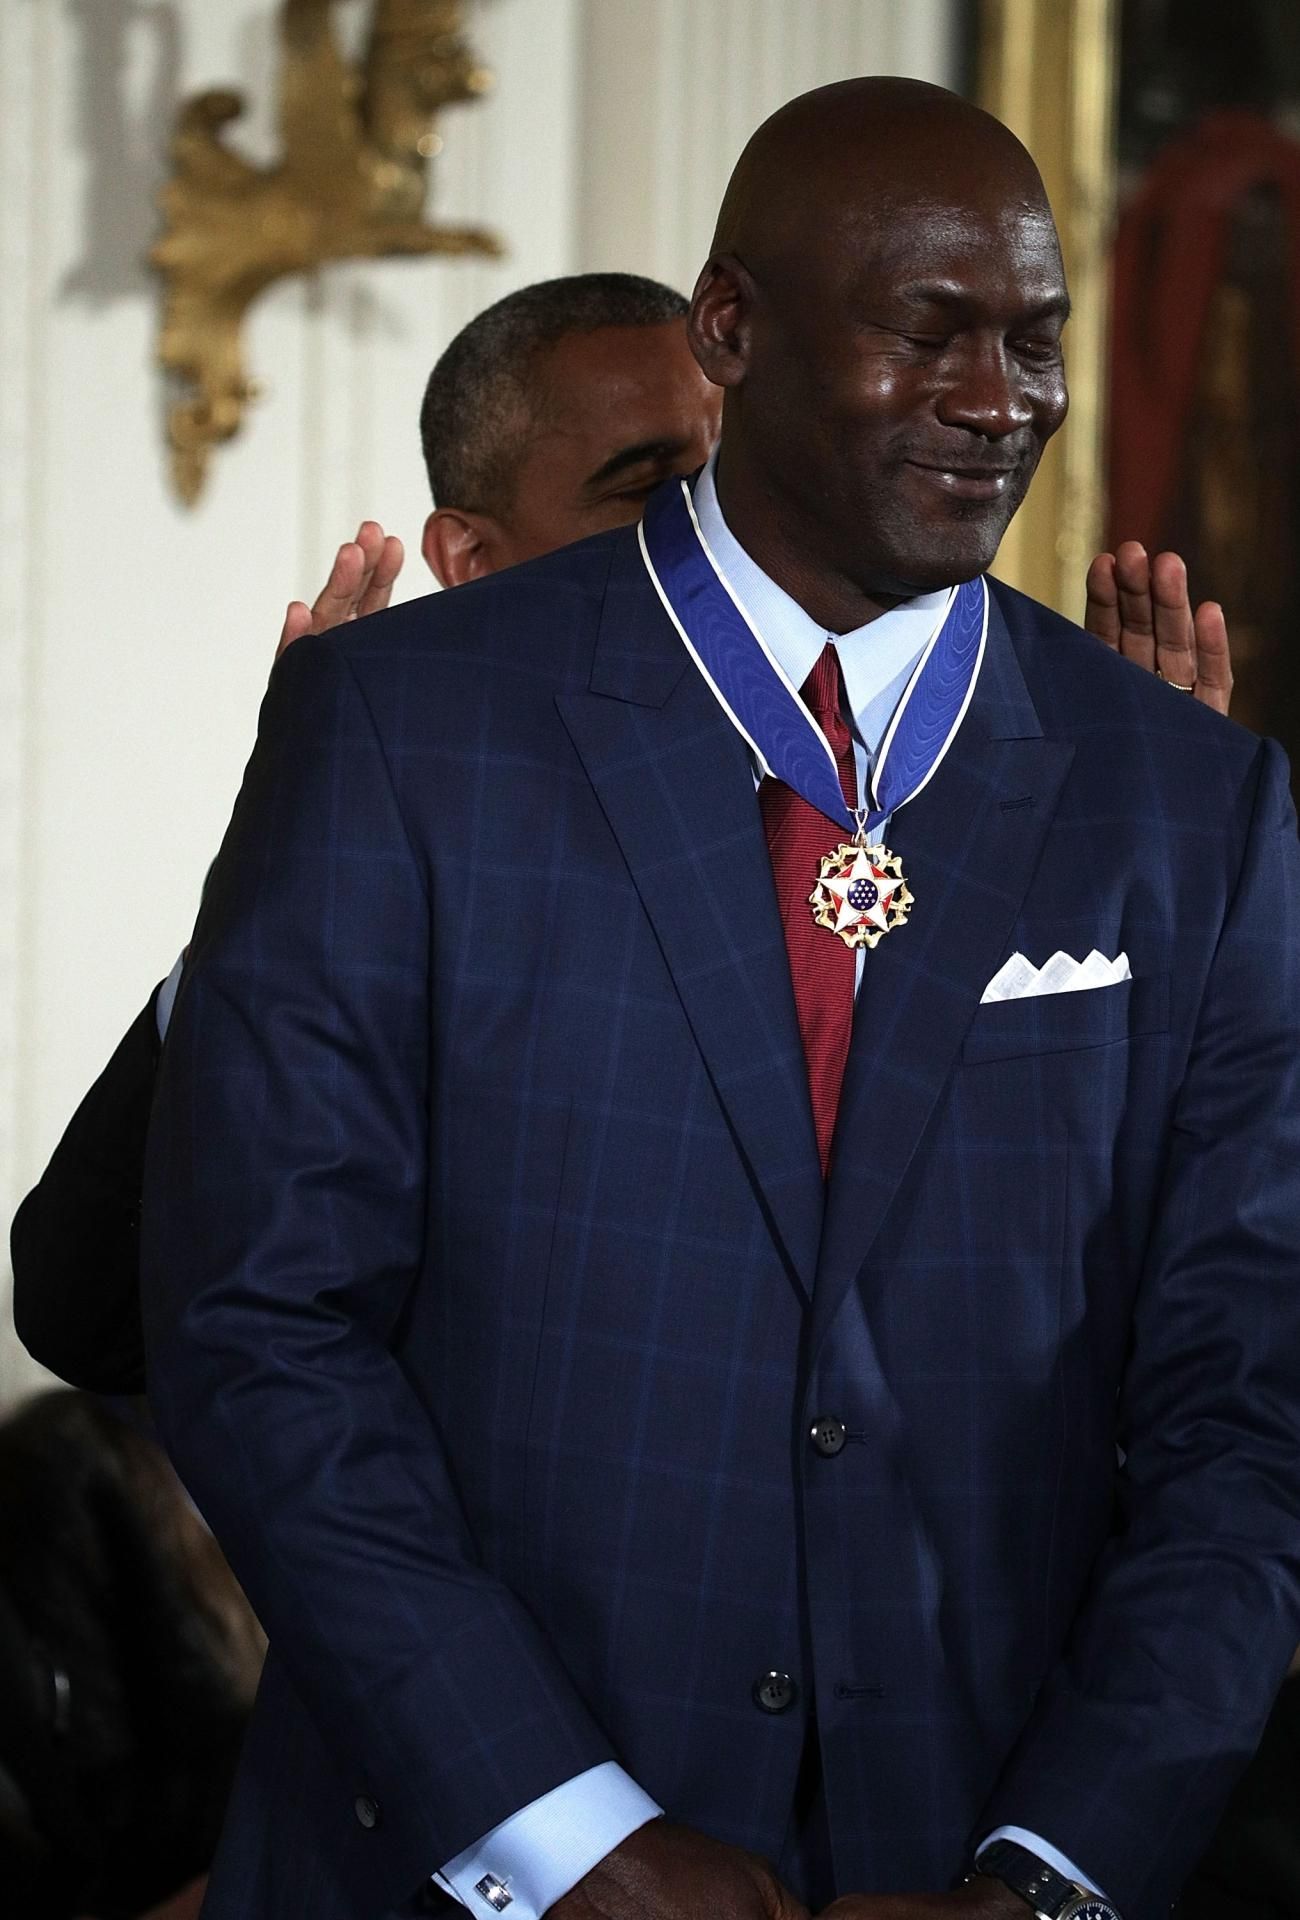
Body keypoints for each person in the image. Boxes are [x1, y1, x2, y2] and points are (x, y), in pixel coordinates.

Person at [138, 78, 1300, 1920]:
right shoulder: (404, 725)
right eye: (929, 331)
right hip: (463, 1867)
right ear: (733, 330)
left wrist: (1054, 1877)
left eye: (1035, 339)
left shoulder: (1193, 799)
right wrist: (565, 1833)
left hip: (968, 1858)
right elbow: (263, 1330)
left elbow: (1253, 1414)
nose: (998, 397)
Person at [11, 271, 1229, 1402]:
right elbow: (100, 1314)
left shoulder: (984, 788)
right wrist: (297, 867)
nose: (724, 538)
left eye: (735, 479)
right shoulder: (422, 874)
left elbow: (1167, 1288)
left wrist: (1127, 845)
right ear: (471, 562)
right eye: (649, 492)